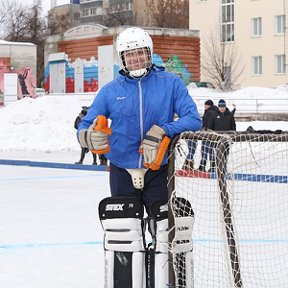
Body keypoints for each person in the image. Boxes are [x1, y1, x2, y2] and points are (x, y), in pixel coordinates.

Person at [77, 27, 201, 213]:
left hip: (158, 167)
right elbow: (86, 124)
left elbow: (193, 119)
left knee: (163, 228)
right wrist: (86, 136)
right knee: (125, 231)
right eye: (129, 54)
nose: (136, 58)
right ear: (122, 58)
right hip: (121, 170)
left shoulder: (171, 83)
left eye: (140, 52)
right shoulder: (110, 91)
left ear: (149, 53)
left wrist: (164, 130)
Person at [207, 99, 236, 171]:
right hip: (217, 139)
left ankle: (224, 169)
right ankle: (216, 169)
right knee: (218, 155)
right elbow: (210, 127)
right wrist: (211, 137)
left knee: (225, 155)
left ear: (225, 107)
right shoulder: (214, 115)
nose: (222, 108)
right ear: (218, 107)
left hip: (227, 139)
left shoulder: (230, 115)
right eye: (220, 107)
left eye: (223, 107)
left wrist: (232, 137)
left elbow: (233, 127)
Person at [198, 99, 217, 171]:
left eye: (206, 105)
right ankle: (212, 166)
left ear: (209, 105)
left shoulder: (209, 112)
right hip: (211, 134)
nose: (205, 106)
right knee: (210, 150)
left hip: (207, 134)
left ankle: (203, 166)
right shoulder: (210, 111)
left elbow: (209, 123)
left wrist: (206, 130)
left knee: (205, 150)